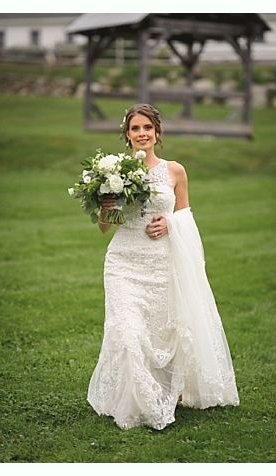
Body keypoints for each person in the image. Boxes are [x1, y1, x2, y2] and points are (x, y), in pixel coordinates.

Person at [87, 104, 239, 430]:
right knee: (127, 332)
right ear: (126, 135)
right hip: (123, 263)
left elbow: (186, 216)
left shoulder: (175, 171)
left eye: (147, 128)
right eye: (135, 128)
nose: (142, 133)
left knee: (161, 333)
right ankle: (140, 402)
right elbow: (104, 227)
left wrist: (169, 224)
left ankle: (166, 387)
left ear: (157, 132)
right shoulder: (113, 173)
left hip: (161, 264)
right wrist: (105, 208)